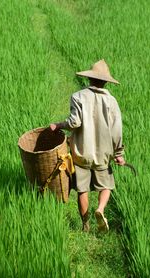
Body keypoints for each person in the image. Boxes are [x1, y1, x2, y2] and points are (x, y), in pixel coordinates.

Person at [50, 59, 125, 232]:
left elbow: (74, 123)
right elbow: (117, 130)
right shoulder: (112, 101)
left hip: (81, 152)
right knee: (106, 185)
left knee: (82, 190)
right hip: (104, 153)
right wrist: (119, 153)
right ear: (106, 81)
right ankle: (100, 209)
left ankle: (85, 225)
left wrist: (59, 125)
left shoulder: (78, 96)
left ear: (89, 79)